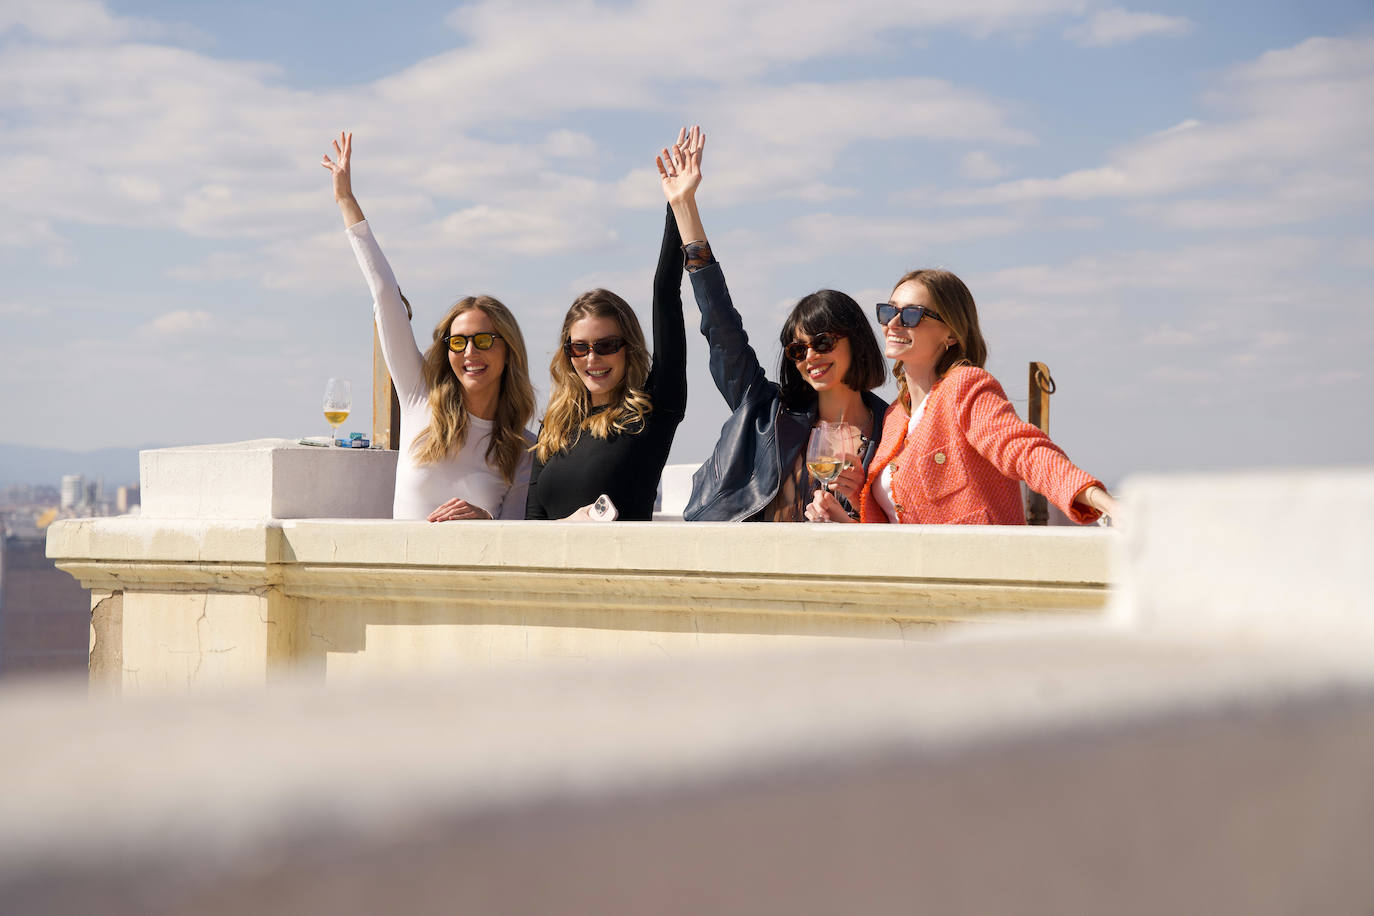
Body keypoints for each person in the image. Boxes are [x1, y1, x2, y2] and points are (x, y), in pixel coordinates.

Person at [659, 126, 889, 522]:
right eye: (798, 350)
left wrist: (856, 516)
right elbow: (721, 326)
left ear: (855, 341)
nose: (810, 357)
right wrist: (685, 207)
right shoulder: (765, 412)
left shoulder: (893, 429)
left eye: (822, 342)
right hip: (750, 573)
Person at [321, 132, 536, 521]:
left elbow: (517, 531)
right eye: (458, 342)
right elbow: (386, 294)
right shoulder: (420, 394)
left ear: (508, 350)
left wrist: (484, 519)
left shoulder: (524, 448)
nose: (470, 352)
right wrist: (346, 201)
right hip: (401, 575)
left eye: (484, 340)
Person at [806, 268, 1118, 525]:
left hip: (980, 581)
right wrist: (848, 512)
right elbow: (897, 535)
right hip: (919, 588)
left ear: (952, 334)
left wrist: (1105, 503)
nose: (894, 324)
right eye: (889, 312)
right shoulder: (894, 418)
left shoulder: (965, 387)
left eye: (912, 314)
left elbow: (1024, 450)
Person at [524, 156, 688, 521]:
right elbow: (532, 526)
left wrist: (678, 204)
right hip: (554, 578)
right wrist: (569, 526)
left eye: (607, 345)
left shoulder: (653, 411)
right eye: (579, 348)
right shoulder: (554, 426)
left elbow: (665, 293)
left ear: (628, 348)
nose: (592, 358)